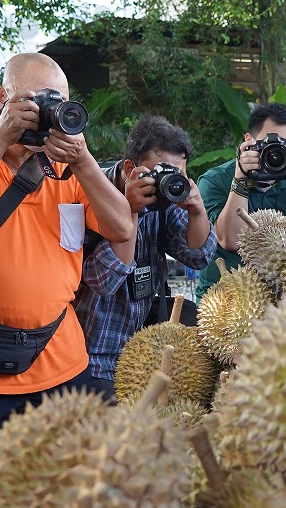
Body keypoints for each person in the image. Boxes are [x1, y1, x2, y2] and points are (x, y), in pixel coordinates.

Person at [0, 53, 134, 508]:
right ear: (0, 99)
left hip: (61, 368)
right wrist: (0, 138)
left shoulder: (69, 170)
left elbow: (122, 229)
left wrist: (83, 161)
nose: (45, 114)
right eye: (33, 102)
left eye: (56, 102)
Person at [75, 115, 216, 386]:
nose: (169, 181)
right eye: (161, 172)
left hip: (140, 355)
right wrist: (131, 211)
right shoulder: (92, 191)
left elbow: (198, 256)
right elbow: (105, 281)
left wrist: (197, 211)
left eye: (177, 174)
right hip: (89, 356)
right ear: (130, 168)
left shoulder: (163, 200)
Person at [196, 102, 286, 299]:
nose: (277, 152)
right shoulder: (214, 180)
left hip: (275, 301)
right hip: (225, 300)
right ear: (249, 141)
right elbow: (229, 240)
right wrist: (240, 179)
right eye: (272, 143)